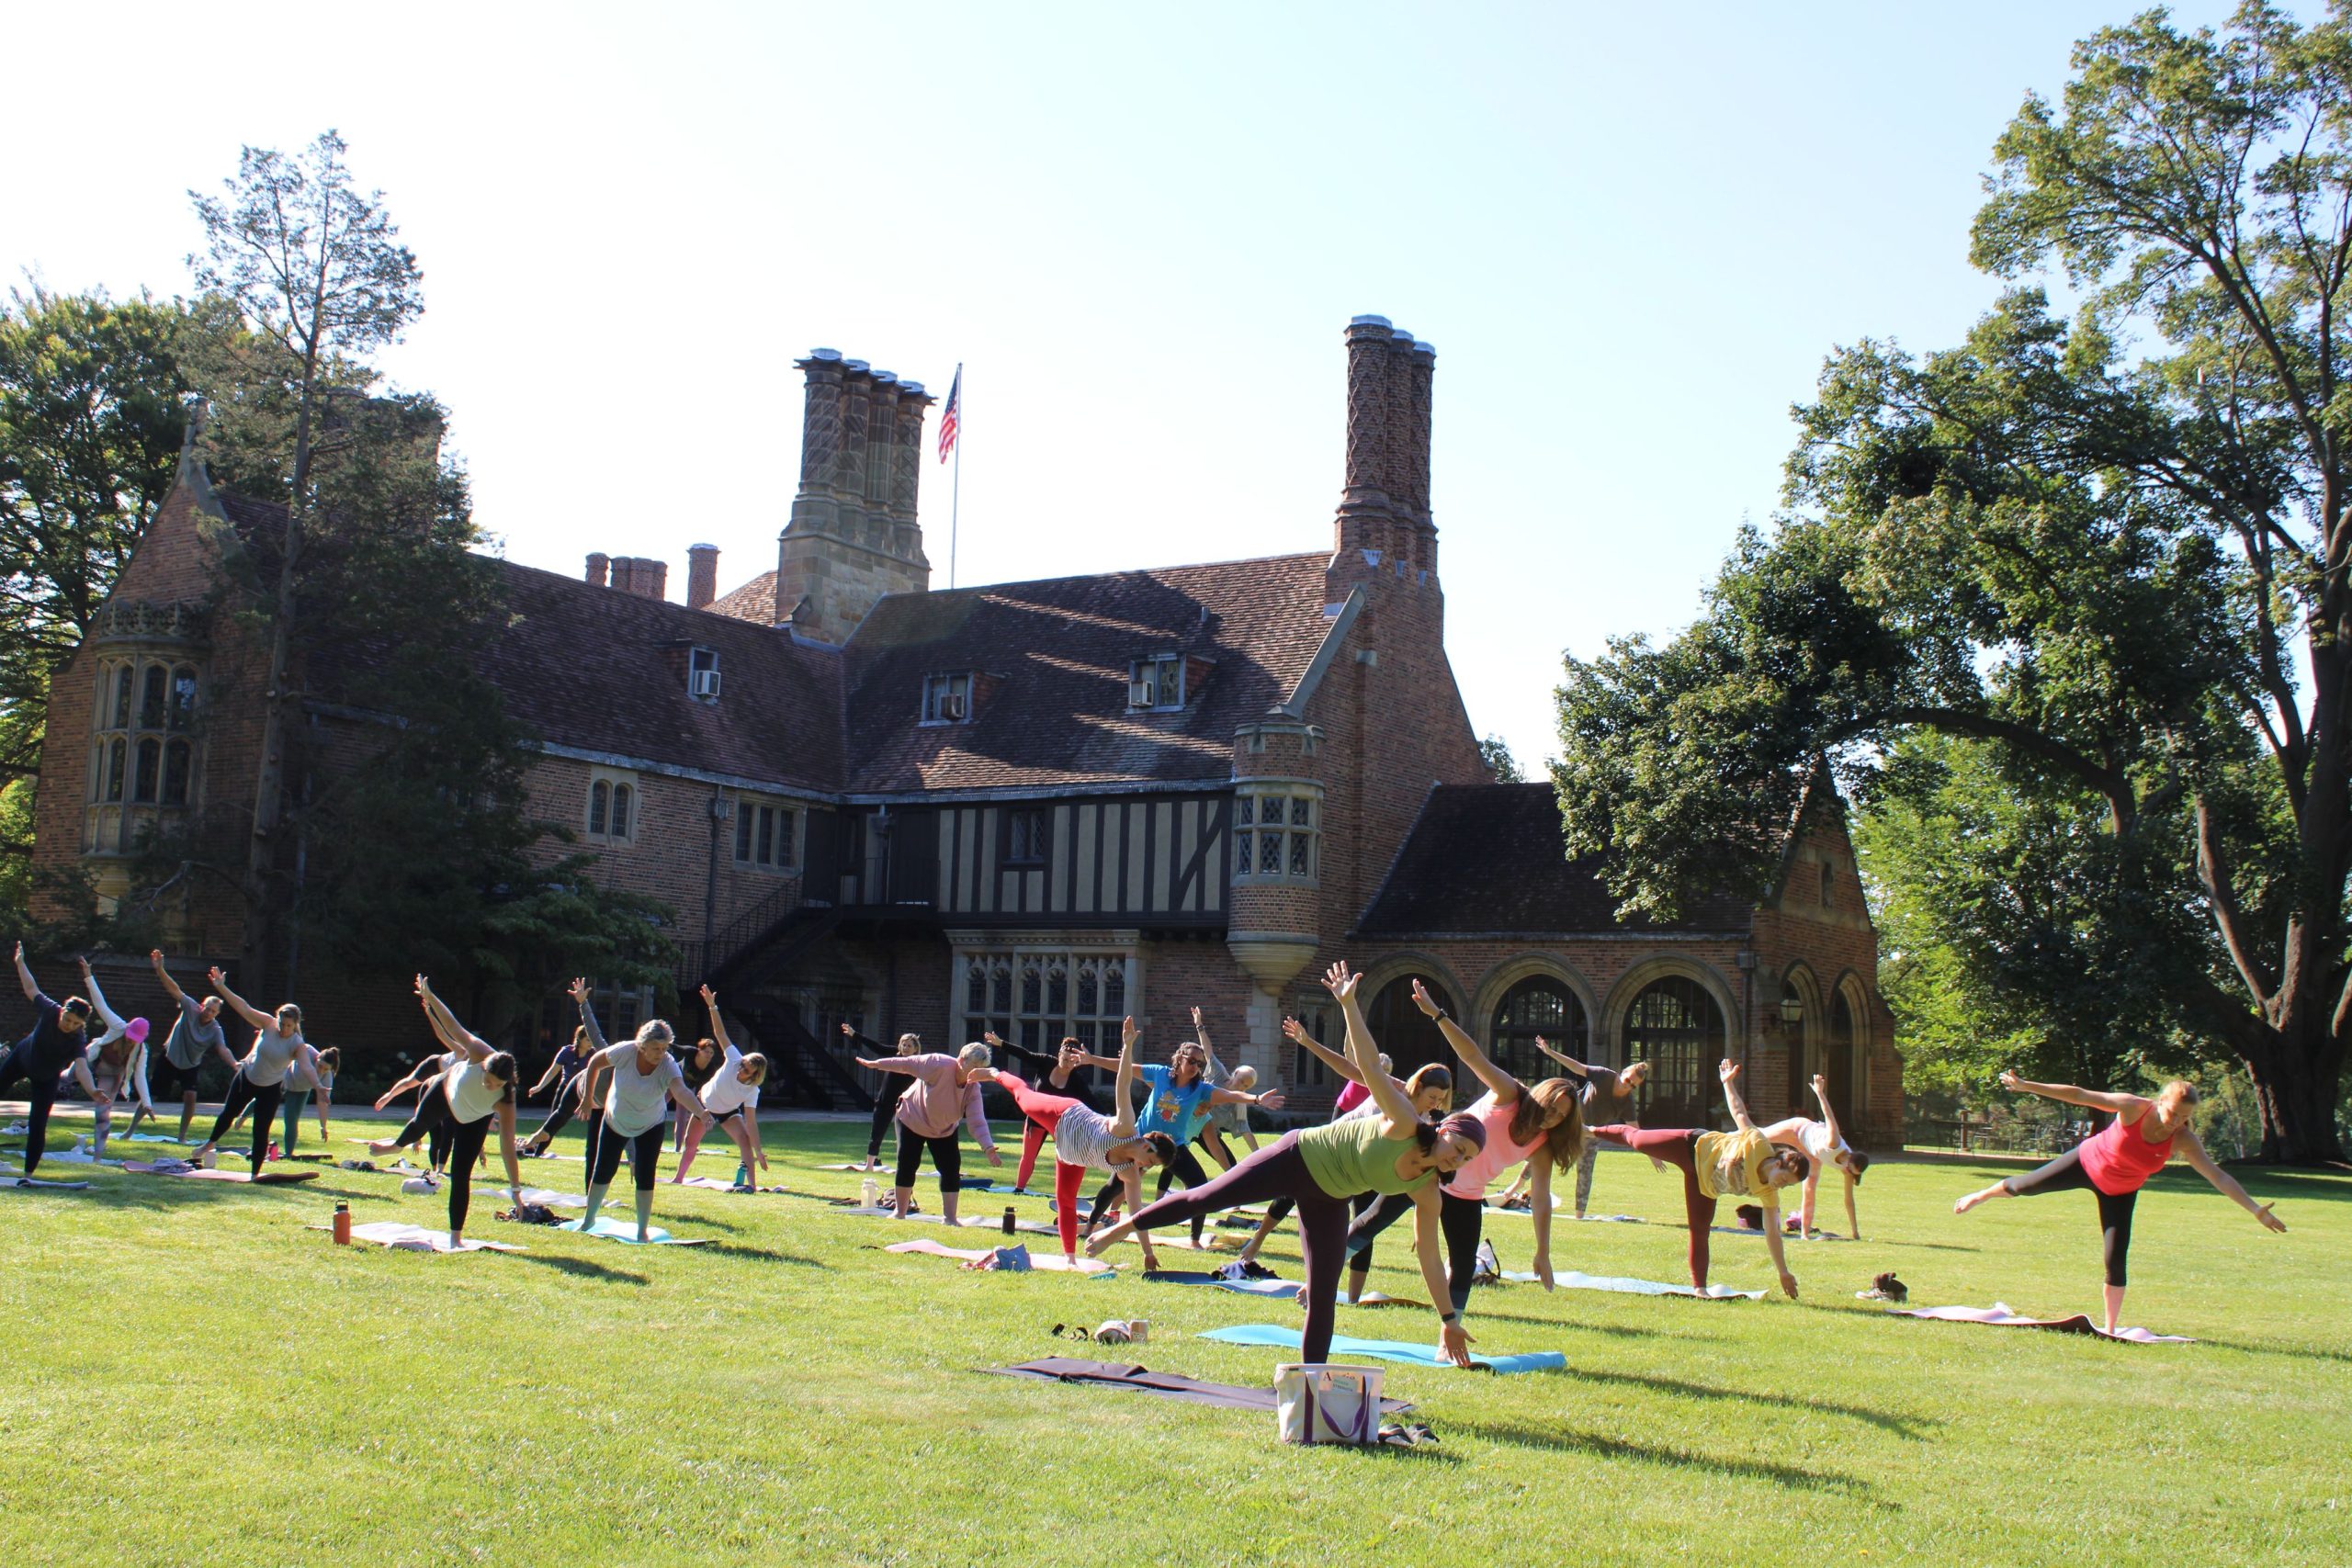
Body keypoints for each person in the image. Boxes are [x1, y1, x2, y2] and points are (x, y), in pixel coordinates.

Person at [1090, 961, 1480, 1369]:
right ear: (1444, 1131)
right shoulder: (1403, 1118)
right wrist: (1347, 1005)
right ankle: (1124, 1227)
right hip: (1297, 1157)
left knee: (1323, 1293)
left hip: (1330, 1196)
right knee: (1207, 1197)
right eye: (1459, 1146)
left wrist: (1449, 1319)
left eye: (1467, 1158)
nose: (1459, 1157)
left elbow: (1431, 1259)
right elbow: (1364, 1066)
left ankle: (1311, 1383)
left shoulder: (1426, 1188)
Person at [1953, 1071, 2285, 1334]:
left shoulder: (2183, 1139)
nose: (2175, 1122)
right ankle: (1979, 1195)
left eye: (2183, 1118)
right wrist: (2027, 1086)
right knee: (2025, 1187)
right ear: (2159, 1103)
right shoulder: (2133, 1107)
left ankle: (2110, 1328)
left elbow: (2218, 1177)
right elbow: (2080, 1095)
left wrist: (2255, 1209)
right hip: (2086, 1162)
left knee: (2115, 1255)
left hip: (2120, 1191)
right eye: (2172, 1114)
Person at [1341, 980, 1584, 1312]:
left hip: (1466, 1194)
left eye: (1561, 1116)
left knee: (1464, 1264)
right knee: (1370, 1224)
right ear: (1540, 1096)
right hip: (1427, 1167)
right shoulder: (1510, 1093)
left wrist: (1543, 1250)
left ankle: (1450, 1330)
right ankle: (1317, 1281)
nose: (1552, 1117)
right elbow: (1472, 1055)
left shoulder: (1542, 1144)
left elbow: (1540, 1197)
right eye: (1551, 1108)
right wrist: (1438, 1015)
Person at [1231, 1018, 1453, 1284]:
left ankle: (1353, 1298)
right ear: (1419, 1086)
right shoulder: (1395, 1089)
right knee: (1291, 1192)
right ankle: (1257, 1242)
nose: (1435, 1104)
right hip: (1333, 1146)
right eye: (1433, 1097)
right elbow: (1348, 1067)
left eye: (1441, 1100)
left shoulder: (1426, 1123)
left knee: (1363, 1226)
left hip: (1367, 1162)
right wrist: (1307, 1042)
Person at [1589, 1059, 1806, 1298]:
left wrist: (1783, 1272)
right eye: (1784, 1179)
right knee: (1638, 1140)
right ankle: (1590, 1130)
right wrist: (1727, 1083)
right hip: (1691, 1146)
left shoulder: (1768, 1192)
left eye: (1787, 1186)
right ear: (1777, 1163)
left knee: (1700, 1230)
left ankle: (1699, 1289)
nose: (1781, 1186)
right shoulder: (1757, 1143)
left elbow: (1772, 1233)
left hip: (1704, 1186)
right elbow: (1738, 1112)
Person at [1071, 1013, 1285, 1247]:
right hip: (1142, 1142)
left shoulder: (1201, 1089)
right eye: (1192, 1061)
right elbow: (1125, 1068)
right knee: (1115, 1186)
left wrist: (1256, 1099)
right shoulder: (1160, 1074)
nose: (1196, 1066)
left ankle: (1194, 1240)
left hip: (1173, 1146)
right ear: (1179, 1058)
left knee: (1200, 1187)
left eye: (1200, 1064)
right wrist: (1092, 1060)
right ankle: (1091, 1225)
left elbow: (1230, 1095)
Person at [986, 1015, 1174, 1268]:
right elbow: (1124, 1082)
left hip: (1072, 1154)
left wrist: (1147, 1253)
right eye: (1150, 1160)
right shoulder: (1125, 1126)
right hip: (1063, 1115)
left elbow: (1137, 1215)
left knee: (1066, 1199)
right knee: (1024, 1099)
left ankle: (1070, 1259)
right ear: (1146, 1146)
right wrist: (1128, 1046)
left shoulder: (1130, 1173)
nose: (1146, 1166)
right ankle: (995, 1073)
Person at [569, 977, 708, 1241]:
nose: (661, 1053)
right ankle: (588, 1220)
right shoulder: (625, 1052)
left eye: (665, 1048)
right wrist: (587, 1099)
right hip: (615, 1120)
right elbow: (594, 1064)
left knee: (646, 1174)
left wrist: (701, 1112)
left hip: (650, 1124)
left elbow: (680, 1091)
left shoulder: (668, 1064)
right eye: (656, 1048)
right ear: (642, 1045)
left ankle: (642, 1230)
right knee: (603, 1169)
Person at [394, 976, 524, 1247]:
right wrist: (429, 997)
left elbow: (508, 1147)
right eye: (488, 1079)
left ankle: (456, 1237)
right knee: (431, 1128)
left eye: (496, 1085)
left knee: (461, 1173)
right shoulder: (477, 1052)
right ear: (484, 1065)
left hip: (474, 1116)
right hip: (450, 1095)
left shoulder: (506, 1098)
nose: (490, 1086)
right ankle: (399, 1147)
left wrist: (515, 1190)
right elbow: (451, 1026)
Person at [185, 968, 327, 1179]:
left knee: (261, 1130)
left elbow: (306, 1066)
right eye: (282, 1023)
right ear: (277, 1019)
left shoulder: (297, 1043)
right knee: (228, 1113)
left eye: (289, 1026)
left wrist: (318, 1086)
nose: (284, 1029)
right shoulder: (268, 1023)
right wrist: (221, 987)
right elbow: (243, 1007)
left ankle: (255, 1174)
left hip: (270, 1088)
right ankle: (210, 1142)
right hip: (247, 1077)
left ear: (295, 1025)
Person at [853, 1038, 1002, 1226]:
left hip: (944, 1129)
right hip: (912, 1118)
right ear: (961, 1060)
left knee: (950, 1168)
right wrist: (875, 1064)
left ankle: (950, 1218)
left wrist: (988, 1148)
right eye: (973, 1067)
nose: (974, 1073)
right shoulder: (938, 1063)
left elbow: (977, 1121)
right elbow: (906, 1064)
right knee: (907, 1162)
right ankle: (900, 1212)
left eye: (979, 1070)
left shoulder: (973, 1088)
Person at [1520, 1035, 1652, 1217]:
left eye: (1632, 1086)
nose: (1627, 1085)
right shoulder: (1604, 1075)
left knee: (1585, 1173)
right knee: (1543, 1152)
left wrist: (1653, 1153)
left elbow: (1635, 1131)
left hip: (1591, 1134)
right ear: (1622, 1073)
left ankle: (1579, 1216)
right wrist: (1550, 1052)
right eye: (1627, 1079)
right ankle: (1514, 1189)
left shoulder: (1626, 1102)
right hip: (1571, 1123)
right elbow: (1576, 1067)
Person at [2, 944, 96, 1180]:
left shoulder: (77, 1038)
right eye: (68, 1019)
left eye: (76, 1023)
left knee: (38, 1123)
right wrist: (20, 962)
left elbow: (82, 1068)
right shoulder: (50, 1010)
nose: (70, 1025)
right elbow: (31, 987)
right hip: (21, 1059)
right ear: (63, 1010)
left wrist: (93, 1090)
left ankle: (28, 1175)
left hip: (46, 1077)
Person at [672, 985, 768, 1189]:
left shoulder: (752, 1091)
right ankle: (678, 1178)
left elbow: (751, 1123)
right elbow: (720, 1033)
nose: (741, 1069)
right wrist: (712, 1007)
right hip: (704, 1105)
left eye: (746, 1070)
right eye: (743, 1065)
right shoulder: (734, 1058)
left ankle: (751, 1185)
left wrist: (758, 1150)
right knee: (690, 1144)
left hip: (728, 1112)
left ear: (754, 1076)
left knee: (744, 1141)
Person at [134, 949, 236, 1144]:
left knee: (190, 1097)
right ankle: (130, 1131)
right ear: (201, 1006)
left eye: (213, 1011)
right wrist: (160, 969)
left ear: (217, 1014)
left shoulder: (215, 1029)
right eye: (207, 1008)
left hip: (190, 1064)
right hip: (170, 1057)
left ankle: (181, 1137)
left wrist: (234, 1065)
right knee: (152, 1095)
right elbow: (174, 989)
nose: (208, 1012)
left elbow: (223, 1049)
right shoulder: (190, 1007)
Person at [1756, 1073, 1870, 1239]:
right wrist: (1820, 1092)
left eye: (1851, 1172)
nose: (1846, 1171)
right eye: (1848, 1167)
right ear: (1849, 1158)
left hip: (1813, 1154)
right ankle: (1727, 1137)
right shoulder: (1834, 1142)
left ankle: (1805, 1234)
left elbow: (1848, 1200)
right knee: (1759, 1136)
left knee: (1809, 1189)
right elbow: (1829, 1116)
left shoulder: (1848, 1171)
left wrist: (1855, 1232)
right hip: (1798, 1130)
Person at [980, 1030, 1087, 1195]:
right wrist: (1001, 1044)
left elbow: (1090, 1100)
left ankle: (1066, 1193)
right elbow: (1025, 1055)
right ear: (1059, 1054)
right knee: (1028, 1156)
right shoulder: (1045, 1062)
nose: (1067, 1064)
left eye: (1072, 1062)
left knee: (1067, 1157)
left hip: (1059, 1123)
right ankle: (1019, 1189)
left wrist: (1109, 1118)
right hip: (1037, 1119)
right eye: (1065, 1059)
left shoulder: (1076, 1080)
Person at [72, 957, 148, 1159]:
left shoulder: (141, 1050)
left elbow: (139, 1076)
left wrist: (147, 1103)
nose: (131, 1042)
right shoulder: (118, 1026)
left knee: (103, 1114)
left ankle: (98, 1156)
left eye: (135, 1040)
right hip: (92, 1060)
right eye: (130, 1037)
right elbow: (100, 1004)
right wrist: (88, 976)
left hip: (111, 1073)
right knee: (62, 1079)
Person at [843, 1022, 918, 1172]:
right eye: (903, 1045)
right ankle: (869, 1165)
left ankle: (904, 1167)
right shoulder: (893, 1054)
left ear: (916, 1049)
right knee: (876, 1135)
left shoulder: (918, 1064)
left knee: (905, 1139)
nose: (905, 1048)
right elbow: (875, 1047)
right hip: (885, 1102)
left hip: (905, 1105)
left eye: (909, 1046)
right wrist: (854, 1034)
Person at [519, 1025, 595, 1156]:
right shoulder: (566, 1052)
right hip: (566, 1091)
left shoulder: (594, 1054)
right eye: (588, 1040)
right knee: (555, 1122)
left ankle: (593, 1155)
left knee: (594, 1124)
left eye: (591, 1040)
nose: (591, 1043)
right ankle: (536, 1152)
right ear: (580, 1039)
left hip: (586, 1093)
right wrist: (540, 1086)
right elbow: (553, 1071)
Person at [671, 1032, 720, 1152]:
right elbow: (674, 1047)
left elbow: (703, 1088)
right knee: (660, 1107)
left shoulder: (710, 1069)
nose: (708, 1055)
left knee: (682, 1115)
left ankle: (678, 1148)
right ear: (699, 1050)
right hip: (672, 1081)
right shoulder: (690, 1052)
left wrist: (698, 1106)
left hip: (685, 1088)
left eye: (711, 1053)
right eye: (706, 1051)